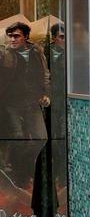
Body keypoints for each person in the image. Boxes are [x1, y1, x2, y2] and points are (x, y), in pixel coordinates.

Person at [0, 21, 50, 190]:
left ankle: (23, 169)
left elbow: (45, 74)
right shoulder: (5, 53)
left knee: (40, 138)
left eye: (16, 36)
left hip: (32, 101)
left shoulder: (36, 52)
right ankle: (19, 175)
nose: (12, 39)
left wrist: (46, 94)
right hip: (11, 103)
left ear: (26, 37)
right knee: (18, 139)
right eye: (10, 36)